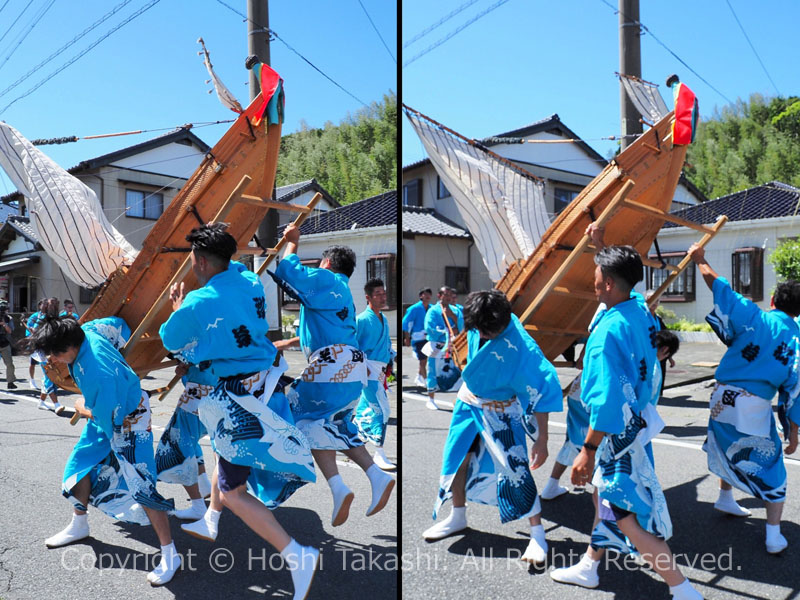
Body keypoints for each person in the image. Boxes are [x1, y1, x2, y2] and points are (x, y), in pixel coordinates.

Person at [159, 223, 320, 597]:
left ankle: (296, 553)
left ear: (198, 261)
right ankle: (210, 519)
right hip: (267, 379)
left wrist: (178, 308)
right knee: (223, 453)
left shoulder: (200, 302)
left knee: (233, 489)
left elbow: (171, 339)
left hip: (240, 397)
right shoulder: (247, 278)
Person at [550, 224, 702, 600]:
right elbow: (616, 286)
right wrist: (600, 245)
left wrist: (586, 450)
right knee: (605, 499)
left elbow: (604, 400)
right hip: (634, 423)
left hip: (614, 437)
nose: (594, 278)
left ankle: (681, 588)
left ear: (607, 285)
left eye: (598, 274)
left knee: (626, 516)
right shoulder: (640, 311)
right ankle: (590, 564)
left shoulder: (607, 332)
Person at [31, 316, 181, 586]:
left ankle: (170, 553)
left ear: (69, 346)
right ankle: (80, 524)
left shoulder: (97, 371)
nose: (52, 359)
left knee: (141, 485)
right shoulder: (88, 330)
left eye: (54, 353)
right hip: (108, 409)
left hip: (130, 420)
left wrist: (81, 406)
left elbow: (110, 420)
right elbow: (120, 323)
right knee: (79, 467)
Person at [422, 289, 562, 565]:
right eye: (479, 330)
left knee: (516, 470)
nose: (482, 336)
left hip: (502, 409)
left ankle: (537, 534)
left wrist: (542, 440)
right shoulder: (479, 319)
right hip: (468, 403)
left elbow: (546, 389)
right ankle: (458, 516)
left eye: (488, 331)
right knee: (456, 460)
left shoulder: (523, 347)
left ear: (504, 320)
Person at [272, 223, 395, 528]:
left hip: (331, 367)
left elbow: (288, 271)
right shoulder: (343, 292)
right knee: (332, 424)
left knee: (295, 417)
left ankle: (339, 486)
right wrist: (286, 343)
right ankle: (373, 476)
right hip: (353, 369)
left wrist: (292, 242)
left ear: (327, 263)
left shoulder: (326, 279)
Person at [689, 242, 800, 552]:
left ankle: (726, 498)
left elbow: (720, 287)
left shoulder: (757, 317)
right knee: (772, 466)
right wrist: (793, 432)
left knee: (728, 448)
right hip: (752, 404)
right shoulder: (796, 342)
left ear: (774, 300)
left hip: (721, 398)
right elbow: (795, 391)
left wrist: (700, 258)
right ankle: (773, 534)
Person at [155, 363, 214, 520]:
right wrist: (186, 371)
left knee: (178, 447)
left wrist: (187, 367)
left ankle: (198, 506)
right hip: (218, 397)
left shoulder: (207, 340)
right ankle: (203, 485)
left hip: (198, 397)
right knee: (189, 440)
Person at [354, 278, 397, 471]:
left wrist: (390, 360)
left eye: (383, 293)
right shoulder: (362, 319)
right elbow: (353, 345)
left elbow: (386, 344)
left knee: (367, 407)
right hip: (367, 368)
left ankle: (353, 435)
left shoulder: (384, 319)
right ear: (368, 297)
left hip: (379, 370)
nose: (382, 297)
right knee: (382, 409)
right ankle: (379, 451)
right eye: (378, 294)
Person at [423, 286, 464, 410]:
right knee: (433, 371)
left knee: (456, 371)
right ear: (439, 296)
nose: (447, 297)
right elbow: (429, 327)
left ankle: (458, 398)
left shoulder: (455, 310)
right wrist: (445, 332)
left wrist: (452, 316)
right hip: (438, 345)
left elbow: (461, 325)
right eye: (445, 294)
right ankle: (430, 398)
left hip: (453, 345)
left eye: (449, 295)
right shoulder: (433, 310)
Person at [36, 298, 65, 414]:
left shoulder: (59, 318)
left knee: (53, 376)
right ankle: (56, 404)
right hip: (43, 352)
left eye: (56, 303)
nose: (54, 306)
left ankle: (41, 402)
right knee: (50, 376)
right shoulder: (40, 318)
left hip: (54, 351)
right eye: (51, 304)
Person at [402, 287, 432, 387]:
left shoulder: (432, 308)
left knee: (425, 360)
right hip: (417, 337)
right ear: (421, 296)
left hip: (428, 337)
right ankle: (427, 380)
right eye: (425, 294)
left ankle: (419, 376)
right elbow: (406, 323)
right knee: (423, 360)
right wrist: (407, 337)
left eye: (429, 294)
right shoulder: (414, 308)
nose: (427, 296)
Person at [25, 299, 46, 389]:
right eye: (44, 304)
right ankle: (32, 380)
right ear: (40, 305)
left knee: (45, 362)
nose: (45, 306)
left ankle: (47, 380)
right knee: (33, 363)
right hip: (34, 341)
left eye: (47, 304)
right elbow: (29, 328)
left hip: (45, 341)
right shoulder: (34, 316)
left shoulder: (49, 315)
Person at [0, 301, 16, 389]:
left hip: (4, 343)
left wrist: (4, 324)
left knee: (10, 364)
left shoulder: (9, 318)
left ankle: (10, 382)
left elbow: (10, 331)